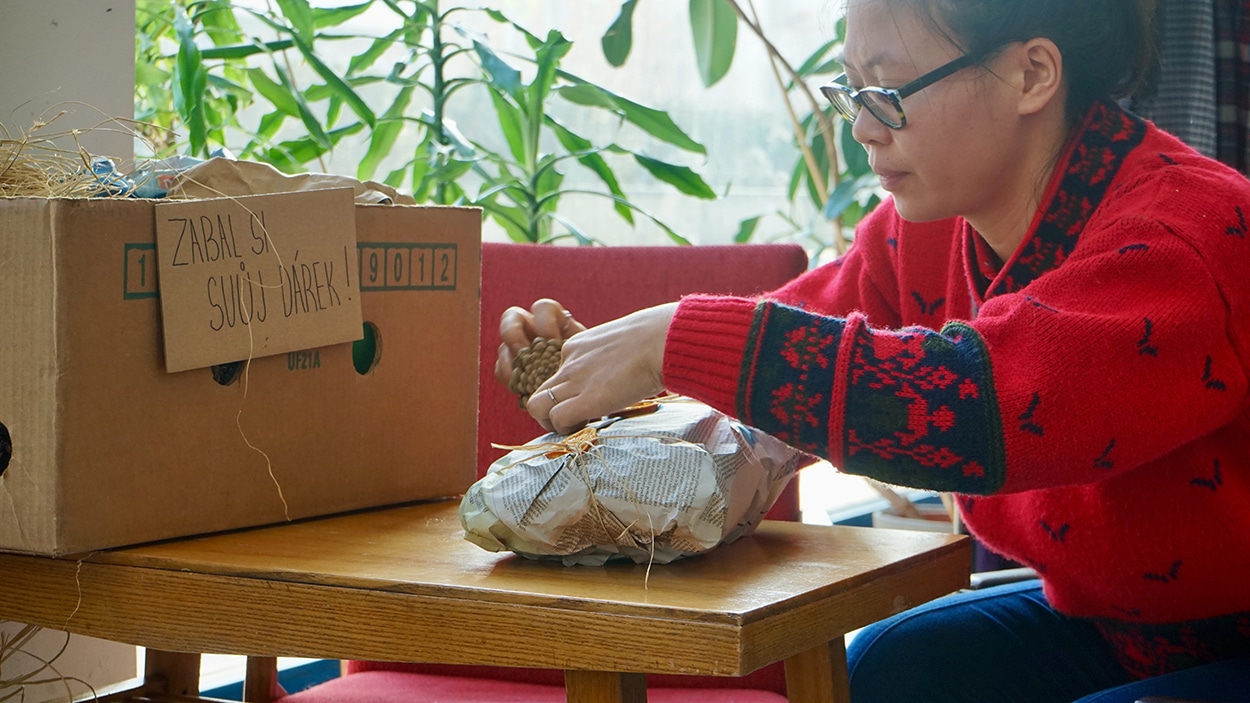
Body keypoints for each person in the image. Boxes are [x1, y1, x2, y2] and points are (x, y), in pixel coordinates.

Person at [495, 0, 1250, 700]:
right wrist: (605, 367)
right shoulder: (923, 231)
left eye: (888, 91)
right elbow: (798, 350)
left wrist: (674, 337)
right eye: (850, 90)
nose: (862, 128)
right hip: (1118, 629)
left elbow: (968, 403)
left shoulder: (1182, 238)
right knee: (892, 669)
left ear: (1032, 74)